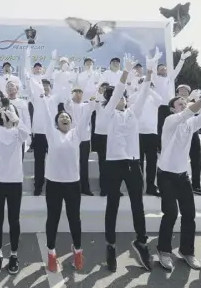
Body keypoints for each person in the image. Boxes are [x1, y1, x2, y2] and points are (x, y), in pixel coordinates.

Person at [29, 76, 93, 273]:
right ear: (56, 123)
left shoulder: (76, 133)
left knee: (75, 218)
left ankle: (78, 250)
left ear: (71, 123)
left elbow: (85, 115)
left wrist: (94, 100)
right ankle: (51, 252)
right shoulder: (51, 132)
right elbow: (47, 113)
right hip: (54, 184)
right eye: (61, 117)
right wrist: (42, 95)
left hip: (73, 184)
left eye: (67, 117)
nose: (64, 118)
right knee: (53, 218)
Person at [155, 91, 201, 271]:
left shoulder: (190, 124)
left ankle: (187, 252)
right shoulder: (170, 121)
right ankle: (163, 251)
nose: (183, 105)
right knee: (170, 213)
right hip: (166, 176)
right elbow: (189, 112)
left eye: (185, 102)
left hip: (183, 176)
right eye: (179, 103)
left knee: (189, 215)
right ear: (172, 109)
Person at [101, 65, 153, 272]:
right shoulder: (108, 113)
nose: (121, 99)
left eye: (124, 97)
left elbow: (144, 93)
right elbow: (116, 93)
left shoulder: (134, 113)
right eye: (118, 97)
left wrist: (148, 73)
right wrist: (125, 72)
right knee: (112, 205)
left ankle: (141, 242)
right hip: (114, 164)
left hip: (133, 163)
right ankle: (110, 246)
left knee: (137, 205)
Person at [0, 97, 30, 274]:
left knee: (14, 220)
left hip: (14, 181)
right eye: (5, 112)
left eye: (10, 111)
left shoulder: (18, 133)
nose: (7, 113)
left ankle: (13, 254)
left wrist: (16, 119)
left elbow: (27, 133)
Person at [26, 77, 59, 196]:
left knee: (53, 161)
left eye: (47, 86)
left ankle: (53, 185)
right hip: (39, 134)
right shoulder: (36, 98)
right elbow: (30, 87)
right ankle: (38, 186)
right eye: (43, 85)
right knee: (39, 162)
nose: (45, 87)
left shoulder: (55, 99)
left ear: (51, 88)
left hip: (53, 134)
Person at [63, 87, 95, 196]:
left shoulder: (86, 105)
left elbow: (93, 104)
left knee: (84, 164)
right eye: (76, 92)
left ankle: (85, 187)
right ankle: (72, 187)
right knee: (72, 163)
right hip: (72, 138)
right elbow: (66, 103)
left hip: (85, 138)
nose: (78, 95)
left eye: (80, 92)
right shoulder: (70, 105)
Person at [91, 82, 110, 196]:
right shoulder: (99, 103)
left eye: (107, 88)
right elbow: (94, 102)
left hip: (113, 135)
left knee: (113, 164)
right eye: (103, 87)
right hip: (101, 136)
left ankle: (113, 188)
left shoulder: (113, 103)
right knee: (103, 163)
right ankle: (103, 188)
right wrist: (99, 92)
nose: (105, 90)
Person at [4, 80, 32, 158]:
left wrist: (29, 134)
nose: (10, 88)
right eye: (8, 87)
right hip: (6, 135)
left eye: (12, 86)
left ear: (16, 89)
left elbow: (27, 119)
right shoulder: (3, 103)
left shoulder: (22, 102)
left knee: (19, 160)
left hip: (19, 135)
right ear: (6, 90)